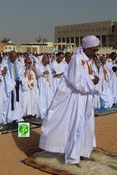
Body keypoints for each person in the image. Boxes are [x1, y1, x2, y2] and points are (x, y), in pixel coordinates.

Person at [39, 35, 101, 164]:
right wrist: (92, 81)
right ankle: (73, 157)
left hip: (86, 98)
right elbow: (76, 81)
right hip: (76, 99)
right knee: (75, 126)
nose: (95, 52)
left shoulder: (89, 60)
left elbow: (94, 76)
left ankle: (84, 152)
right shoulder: (77, 59)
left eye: (97, 50)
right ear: (87, 48)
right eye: (93, 50)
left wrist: (95, 80)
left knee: (87, 125)